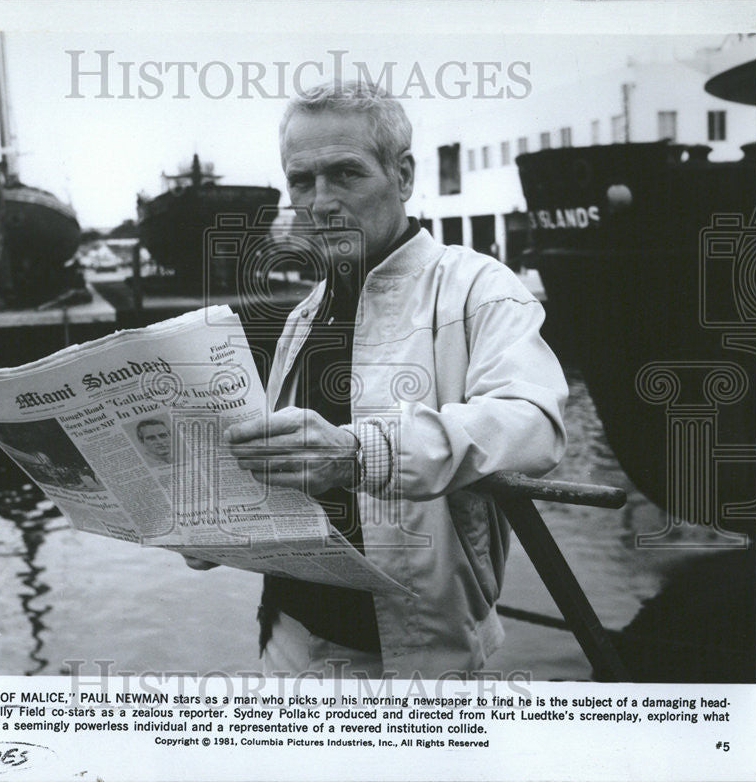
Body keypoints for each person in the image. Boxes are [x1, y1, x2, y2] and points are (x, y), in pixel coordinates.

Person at [186, 80, 568, 679]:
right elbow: (286, 468)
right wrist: (210, 522)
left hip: (413, 655)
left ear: (404, 175)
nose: (321, 201)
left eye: (346, 174)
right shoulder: (305, 313)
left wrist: (362, 452)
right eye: (302, 181)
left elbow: (535, 425)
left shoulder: (476, 288)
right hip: (286, 639)